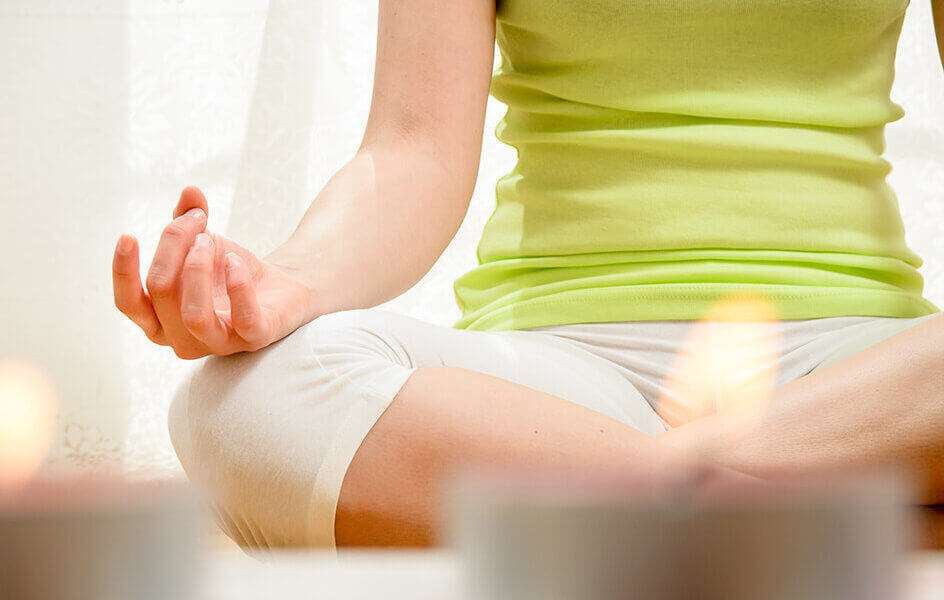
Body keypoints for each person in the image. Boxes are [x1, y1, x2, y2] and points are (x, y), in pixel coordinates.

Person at [112, 0, 944, 550]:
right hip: (556, 387)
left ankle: (615, 497)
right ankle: (839, 522)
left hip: (863, 382)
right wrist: (282, 282)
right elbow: (413, 149)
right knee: (243, 397)